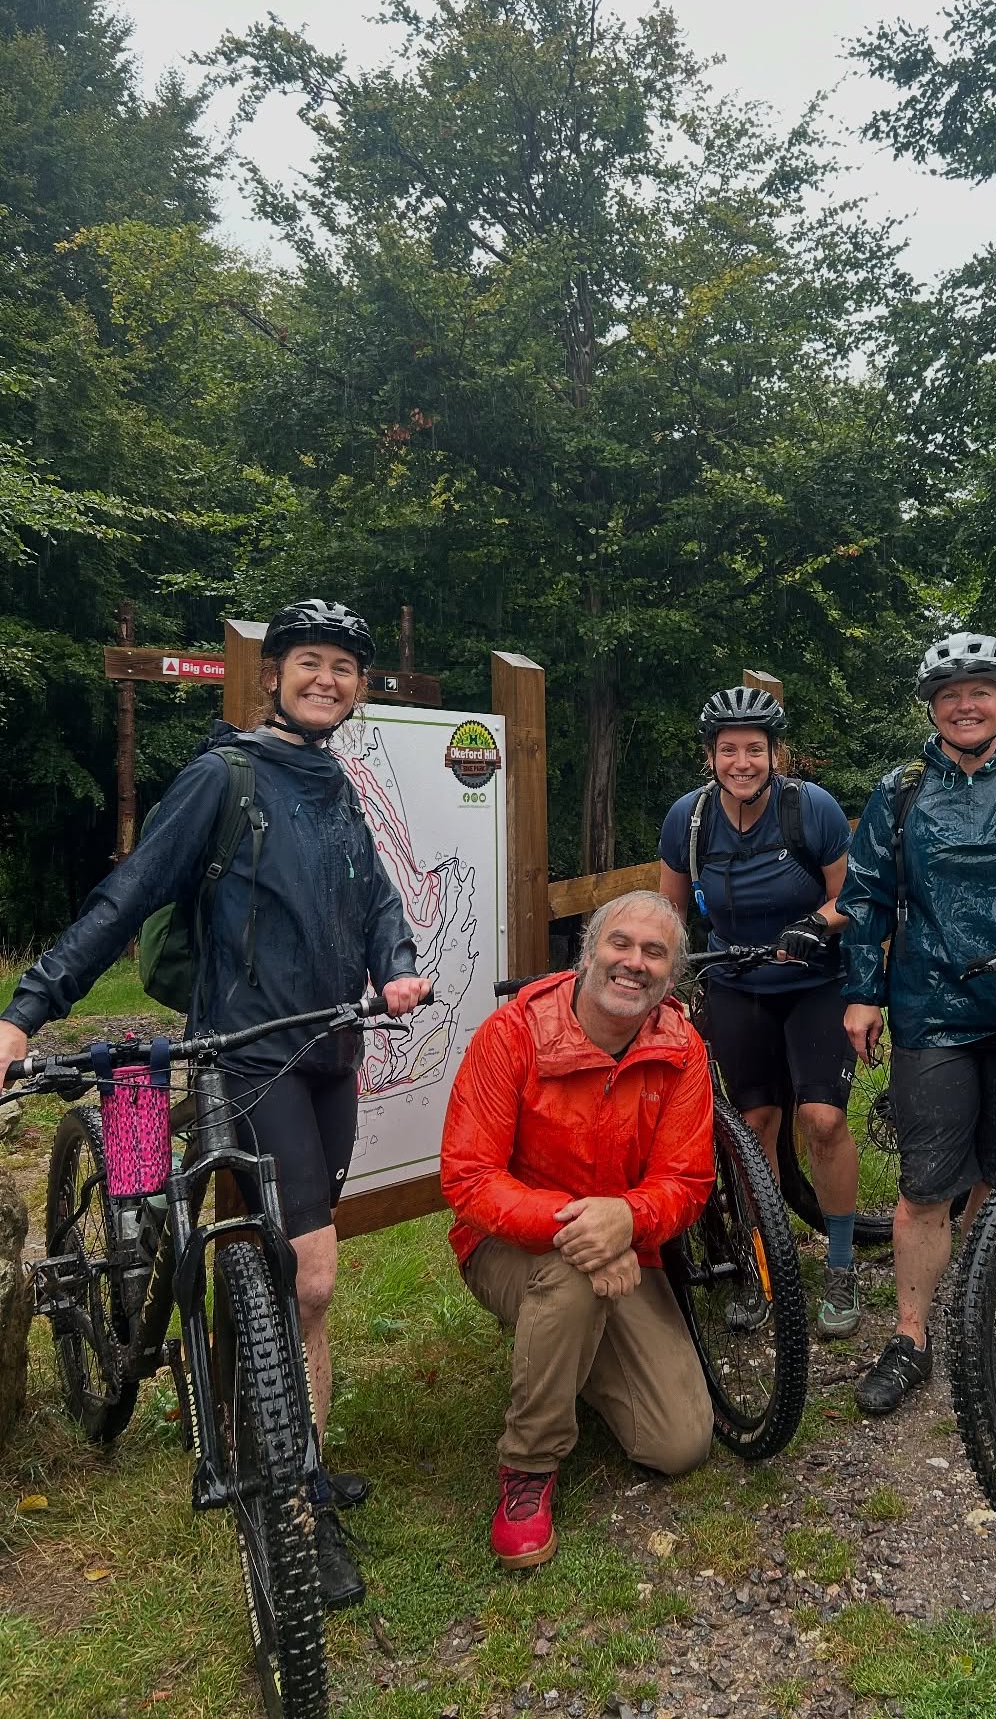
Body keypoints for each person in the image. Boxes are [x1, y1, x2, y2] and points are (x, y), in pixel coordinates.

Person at [0, 599, 430, 1608]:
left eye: (344, 668)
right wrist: (25, 1013)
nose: (328, 679)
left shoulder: (334, 782)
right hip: (249, 1056)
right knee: (312, 1275)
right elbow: (130, 893)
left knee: (298, 1277)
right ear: (274, 674)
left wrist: (398, 962)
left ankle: (292, 1452)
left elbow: (373, 898)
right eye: (311, 662)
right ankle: (294, 1501)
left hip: (332, 1049)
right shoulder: (223, 776)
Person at [840, 632, 996, 1415]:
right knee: (926, 1186)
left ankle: (973, 1316)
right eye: (950, 695)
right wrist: (863, 993)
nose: (965, 706)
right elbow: (865, 898)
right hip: (933, 1008)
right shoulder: (901, 791)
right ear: (931, 708)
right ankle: (910, 1336)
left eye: (980, 691)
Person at [440, 891, 715, 1570]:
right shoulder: (512, 1033)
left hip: (626, 1244)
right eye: (621, 943)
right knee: (570, 1282)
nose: (635, 962)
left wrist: (628, 1220)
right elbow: (469, 1178)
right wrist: (587, 1228)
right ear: (588, 952)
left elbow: (686, 1180)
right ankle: (528, 1467)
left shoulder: (681, 1049)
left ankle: (564, 1354)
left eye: (655, 952)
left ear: (671, 975)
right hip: (506, 1244)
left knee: (678, 1444)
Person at [657, 686, 863, 1340]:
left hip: (813, 981)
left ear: (776, 753)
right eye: (728, 750)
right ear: (710, 756)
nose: (741, 762)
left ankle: (840, 1264)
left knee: (823, 1120)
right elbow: (669, 917)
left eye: (754, 748)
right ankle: (767, 1267)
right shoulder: (689, 820)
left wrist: (815, 924)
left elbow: (851, 897)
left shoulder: (810, 809)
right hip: (736, 982)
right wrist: (659, 985)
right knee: (754, 1127)